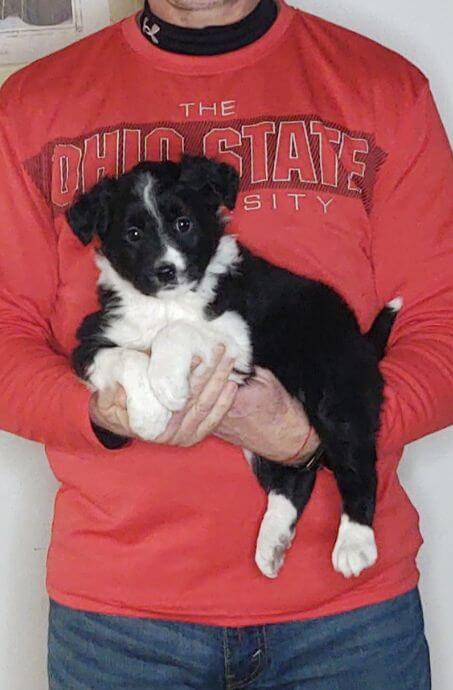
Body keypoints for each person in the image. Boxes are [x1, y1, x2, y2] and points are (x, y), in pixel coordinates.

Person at [0, 0, 451, 687]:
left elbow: (440, 323)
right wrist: (102, 413)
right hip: (120, 624)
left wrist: (314, 436)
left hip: (348, 620)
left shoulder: (381, 87)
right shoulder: (33, 103)